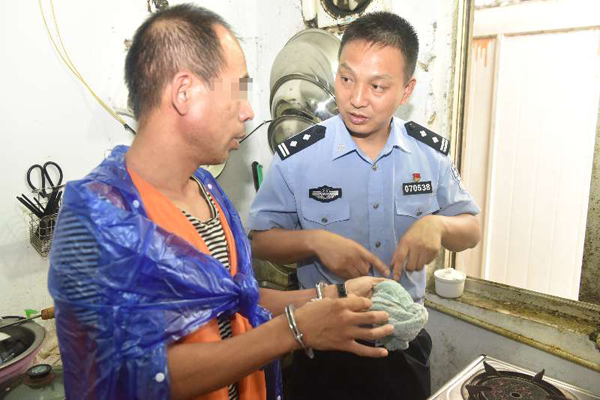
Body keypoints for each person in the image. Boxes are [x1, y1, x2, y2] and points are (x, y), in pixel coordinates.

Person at [47, 4, 394, 400]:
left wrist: (332, 297)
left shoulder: (207, 191)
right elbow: (132, 376)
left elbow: (237, 300)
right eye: (238, 89)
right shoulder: (98, 217)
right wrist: (294, 331)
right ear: (184, 92)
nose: (248, 111)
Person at [248, 11, 482, 400]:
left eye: (377, 86)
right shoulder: (298, 156)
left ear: (405, 91)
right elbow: (260, 240)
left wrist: (438, 226)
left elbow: (471, 229)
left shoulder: (429, 154)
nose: (356, 99)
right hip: (323, 347)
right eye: (346, 79)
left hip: (401, 344)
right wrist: (315, 241)